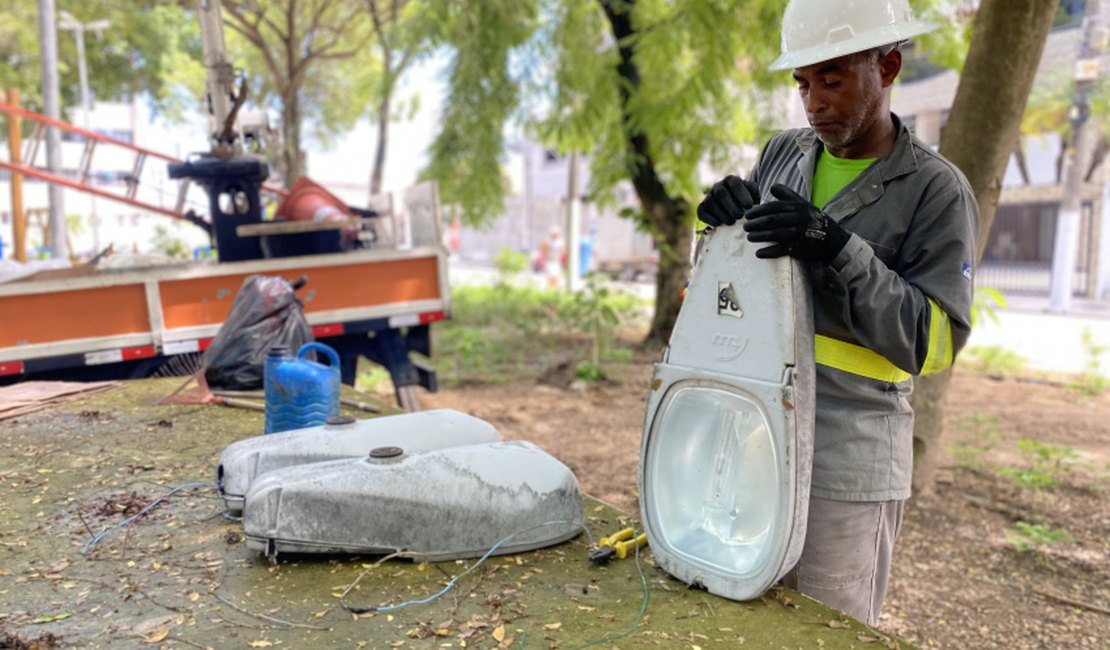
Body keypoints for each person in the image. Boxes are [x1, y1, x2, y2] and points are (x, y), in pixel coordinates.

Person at [696, 0, 978, 626]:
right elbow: (742, 293)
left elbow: (933, 346)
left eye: (833, 80)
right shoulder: (782, 156)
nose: (814, 103)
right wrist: (719, 229)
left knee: (828, 629)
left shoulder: (934, 191)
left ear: (889, 66)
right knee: (746, 615)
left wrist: (838, 248)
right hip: (757, 434)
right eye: (803, 84)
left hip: (848, 460)